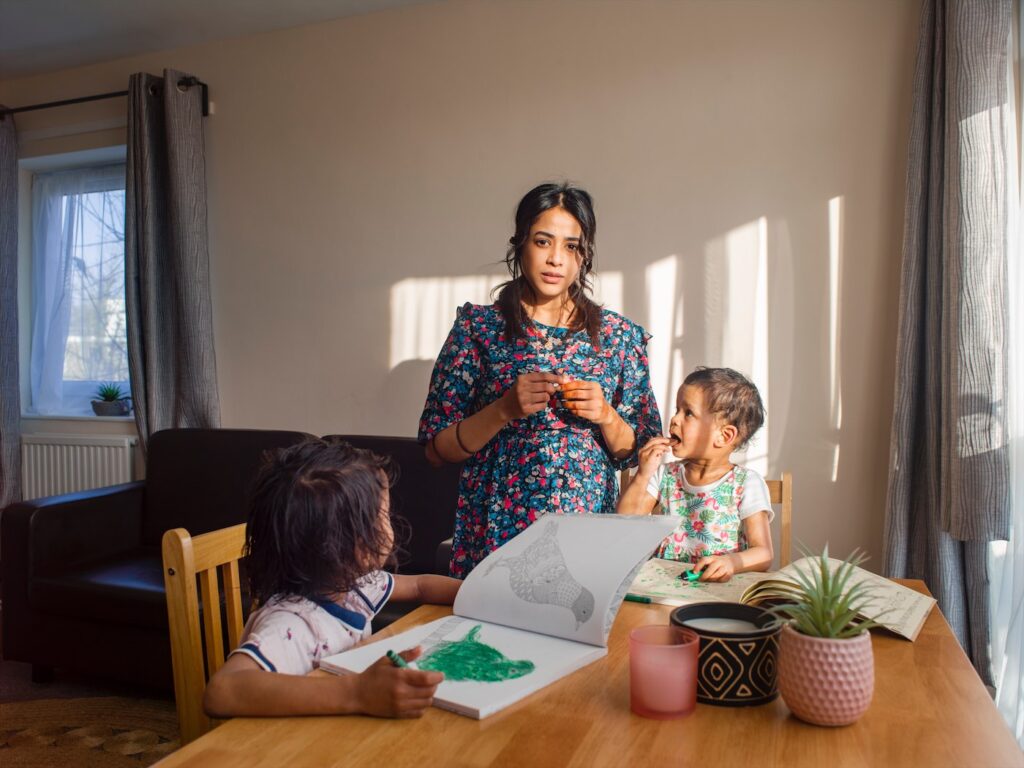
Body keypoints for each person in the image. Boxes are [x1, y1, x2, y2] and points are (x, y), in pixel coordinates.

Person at [419, 182, 662, 578]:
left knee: (578, 633)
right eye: (543, 241)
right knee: (494, 637)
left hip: (587, 530)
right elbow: (435, 448)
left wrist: (606, 415)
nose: (556, 259)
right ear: (520, 244)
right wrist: (502, 410)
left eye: (571, 246)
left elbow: (643, 450)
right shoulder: (478, 329)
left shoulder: (619, 338)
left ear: (585, 255)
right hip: (497, 529)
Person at [203, 438, 462, 719]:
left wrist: (480, 595)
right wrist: (358, 693)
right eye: (383, 514)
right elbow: (222, 690)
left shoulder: (353, 583)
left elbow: (420, 586)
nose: (389, 523)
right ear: (345, 544)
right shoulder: (293, 624)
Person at [617, 366, 773, 582]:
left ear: (724, 436)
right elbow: (626, 524)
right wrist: (643, 474)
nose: (674, 420)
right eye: (676, 410)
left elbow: (764, 553)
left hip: (717, 592)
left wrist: (731, 563)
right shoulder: (665, 474)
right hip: (663, 585)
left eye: (688, 413)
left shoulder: (747, 483)